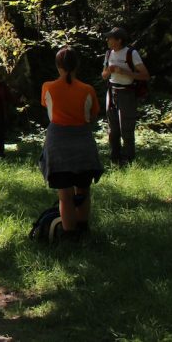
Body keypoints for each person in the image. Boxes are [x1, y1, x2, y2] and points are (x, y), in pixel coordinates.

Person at [40, 46, 103, 240]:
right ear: (77, 65)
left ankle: (69, 235)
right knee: (83, 189)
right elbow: (92, 115)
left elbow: (46, 106)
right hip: (82, 140)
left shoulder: (48, 87)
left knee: (65, 195)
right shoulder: (88, 89)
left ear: (58, 66)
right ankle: (83, 228)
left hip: (57, 142)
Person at [100, 27, 149, 165]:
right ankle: (114, 159)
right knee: (113, 129)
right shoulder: (108, 53)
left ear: (119, 40)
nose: (107, 40)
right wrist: (109, 71)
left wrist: (124, 72)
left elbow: (145, 75)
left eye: (110, 38)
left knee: (126, 128)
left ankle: (128, 159)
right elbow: (103, 76)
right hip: (111, 92)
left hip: (127, 93)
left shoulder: (131, 53)